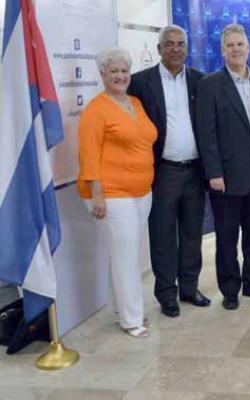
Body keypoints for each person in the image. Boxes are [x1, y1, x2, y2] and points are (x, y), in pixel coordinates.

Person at [128, 25, 210, 318]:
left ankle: (189, 288)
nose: (176, 49)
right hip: (162, 172)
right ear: (159, 49)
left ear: (187, 49)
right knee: (162, 235)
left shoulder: (201, 81)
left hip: (195, 171)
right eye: (170, 44)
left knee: (192, 233)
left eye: (181, 44)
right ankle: (167, 295)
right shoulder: (139, 82)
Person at [77, 47, 156, 338]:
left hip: (140, 192)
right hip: (110, 193)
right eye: (114, 72)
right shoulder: (96, 109)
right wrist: (97, 193)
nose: (120, 76)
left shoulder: (135, 101)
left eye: (124, 71)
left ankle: (120, 309)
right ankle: (132, 320)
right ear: (102, 75)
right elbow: (88, 154)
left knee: (124, 253)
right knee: (125, 258)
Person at [195, 24, 250, 310]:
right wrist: (214, 172)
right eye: (230, 45)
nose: (236, 49)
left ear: (249, 48)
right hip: (225, 176)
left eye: (240, 44)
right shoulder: (210, 84)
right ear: (222, 50)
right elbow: (207, 133)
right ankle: (230, 289)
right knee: (227, 235)